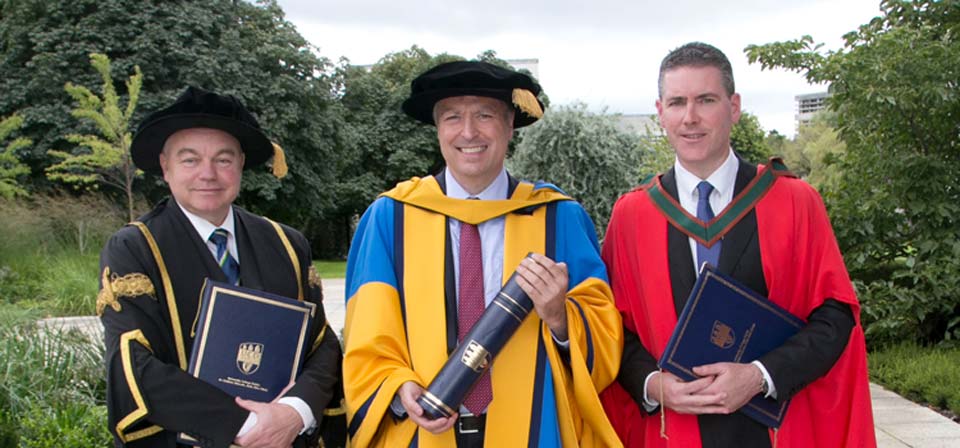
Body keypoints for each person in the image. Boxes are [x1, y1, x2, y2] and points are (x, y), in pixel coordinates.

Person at [600, 42, 876, 447]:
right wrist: (653, 383)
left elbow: (836, 316)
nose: (690, 117)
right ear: (660, 113)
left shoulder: (794, 201)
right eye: (677, 103)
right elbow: (611, 328)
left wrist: (761, 375)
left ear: (734, 107)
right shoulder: (633, 215)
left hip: (775, 431)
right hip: (673, 431)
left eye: (706, 100)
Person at [342, 61, 623, 447]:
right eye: (452, 117)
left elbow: (605, 335)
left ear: (510, 126)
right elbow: (367, 337)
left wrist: (561, 318)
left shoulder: (558, 218)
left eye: (485, 115)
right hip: (421, 433)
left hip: (536, 430)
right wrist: (398, 386)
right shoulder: (390, 218)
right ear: (438, 129)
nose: (469, 132)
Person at [97, 86, 345, 448]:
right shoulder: (135, 248)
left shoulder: (286, 244)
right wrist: (250, 427)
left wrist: (294, 412)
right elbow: (133, 363)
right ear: (165, 167)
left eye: (223, 160)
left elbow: (321, 344)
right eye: (190, 160)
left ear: (241, 163)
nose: (208, 174)